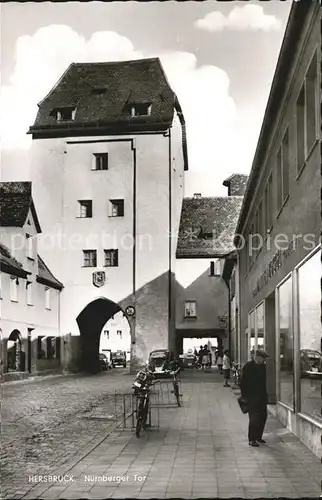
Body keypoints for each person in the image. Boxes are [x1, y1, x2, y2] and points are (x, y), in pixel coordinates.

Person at [240, 349, 269, 447]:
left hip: (262, 397)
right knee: (254, 419)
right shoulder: (248, 367)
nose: (264, 360)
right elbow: (242, 383)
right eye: (262, 358)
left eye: (264, 359)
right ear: (257, 357)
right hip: (252, 398)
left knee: (263, 417)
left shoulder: (264, 367)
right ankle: (252, 439)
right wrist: (246, 396)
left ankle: (258, 437)